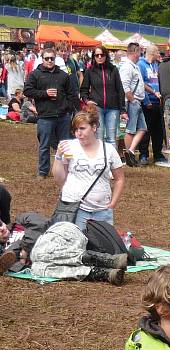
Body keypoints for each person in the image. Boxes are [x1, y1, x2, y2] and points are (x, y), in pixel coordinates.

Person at [52, 109, 125, 231]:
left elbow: (120, 179)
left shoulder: (109, 149)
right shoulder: (69, 147)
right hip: (75, 208)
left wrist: (112, 204)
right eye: (75, 130)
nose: (78, 133)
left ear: (94, 128)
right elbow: (59, 179)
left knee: (103, 247)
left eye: (82, 128)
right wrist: (59, 156)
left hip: (102, 210)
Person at [24, 47, 78, 178]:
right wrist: (44, 93)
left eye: (52, 58)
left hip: (63, 115)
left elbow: (72, 94)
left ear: (55, 59)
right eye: (46, 58)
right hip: (45, 116)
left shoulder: (64, 75)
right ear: (42, 59)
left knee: (65, 145)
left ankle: (67, 170)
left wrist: (68, 108)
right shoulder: (35, 74)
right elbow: (27, 91)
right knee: (44, 145)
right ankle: (43, 171)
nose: (49, 60)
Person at [80, 46, 126, 145]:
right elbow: (83, 89)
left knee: (112, 138)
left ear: (106, 56)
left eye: (102, 55)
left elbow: (120, 89)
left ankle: (111, 160)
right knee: (99, 138)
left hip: (113, 108)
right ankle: (100, 160)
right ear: (94, 57)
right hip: (97, 107)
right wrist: (87, 101)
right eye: (97, 55)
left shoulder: (113, 69)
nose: (99, 57)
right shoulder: (90, 71)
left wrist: (123, 109)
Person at [138, 45, 169, 167]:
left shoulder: (157, 66)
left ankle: (158, 154)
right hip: (148, 102)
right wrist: (146, 101)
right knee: (146, 129)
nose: (159, 55)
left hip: (158, 102)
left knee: (159, 130)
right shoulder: (141, 65)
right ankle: (143, 154)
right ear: (153, 53)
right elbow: (140, 83)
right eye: (158, 52)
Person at [118, 42, 147, 167]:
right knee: (130, 129)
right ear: (135, 52)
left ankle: (130, 152)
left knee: (142, 128)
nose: (140, 54)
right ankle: (130, 156)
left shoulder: (133, 66)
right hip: (132, 101)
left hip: (136, 101)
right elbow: (124, 86)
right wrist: (132, 100)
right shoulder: (127, 67)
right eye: (139, 52)